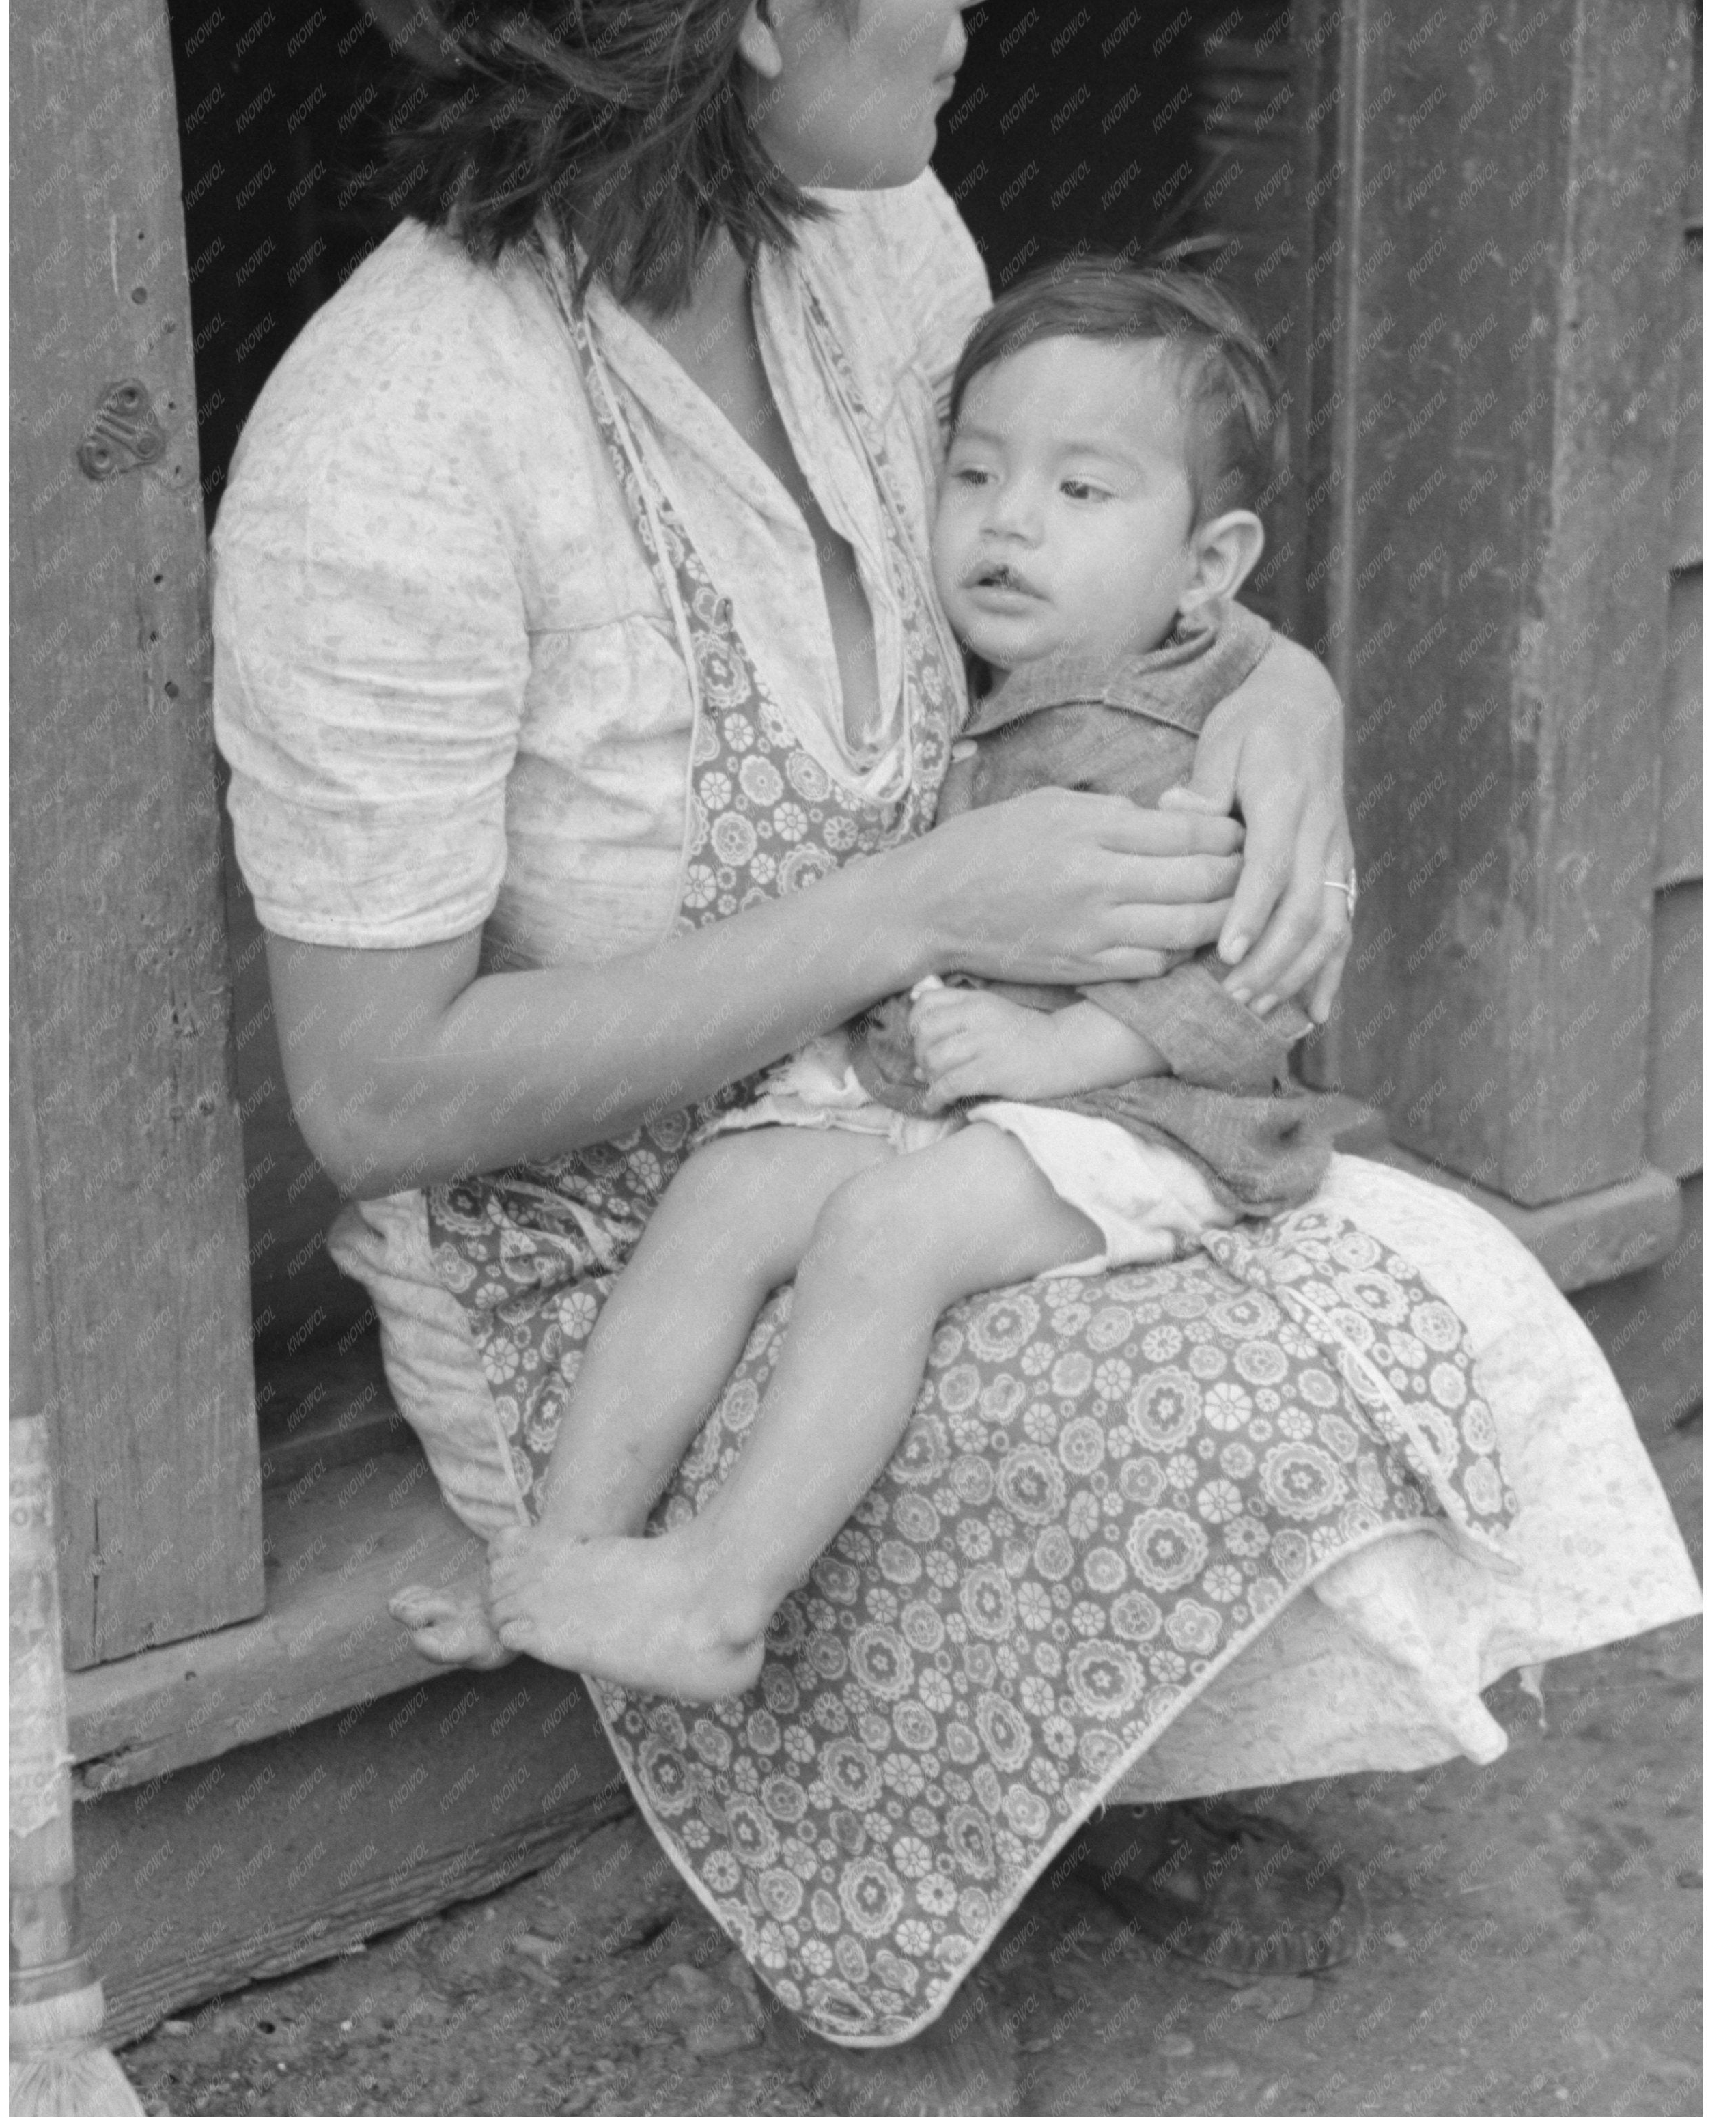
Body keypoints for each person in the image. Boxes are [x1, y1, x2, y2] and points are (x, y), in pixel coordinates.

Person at [211, 0, 1700, 2117]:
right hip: (617, 1259)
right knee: (1213, 1385)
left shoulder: (875, 230)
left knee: (1404, 1277)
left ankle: (1005, 1723)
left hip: (925, 1081)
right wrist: (924, 893)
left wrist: (1285, 693)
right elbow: (373, 1090)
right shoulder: (389, 444)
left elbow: (1086, 553)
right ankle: (863, 1872)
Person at [485, 260, 1339, 1704]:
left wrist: (1051, 1045)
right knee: (730, 1187)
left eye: (1082, 492)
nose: (1008, 521)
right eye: (977, 472)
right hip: (970, 1097)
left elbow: (1262, 997)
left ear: (1205, 567)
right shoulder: (973, 668)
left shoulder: (1211, 744)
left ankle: (721, 1591)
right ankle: (562, 1547)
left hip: (1153, 1125)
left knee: (886, 1232)